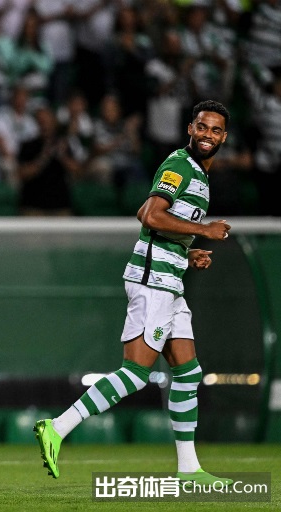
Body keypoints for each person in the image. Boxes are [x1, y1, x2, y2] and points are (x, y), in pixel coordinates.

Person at [34, 100, 234, 486]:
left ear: (224, 136)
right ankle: (57, 427)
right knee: (136, 373)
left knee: (188, 373)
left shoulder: (196, 173)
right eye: (202, 127)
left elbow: (152, 216)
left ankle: (189, 469)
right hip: (152, 282)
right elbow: (150, 215)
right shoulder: (180, 165)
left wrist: (187, 252)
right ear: (190, 129)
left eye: (215, 130)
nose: (208, 134)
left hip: (170, 281)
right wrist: (204, 230)